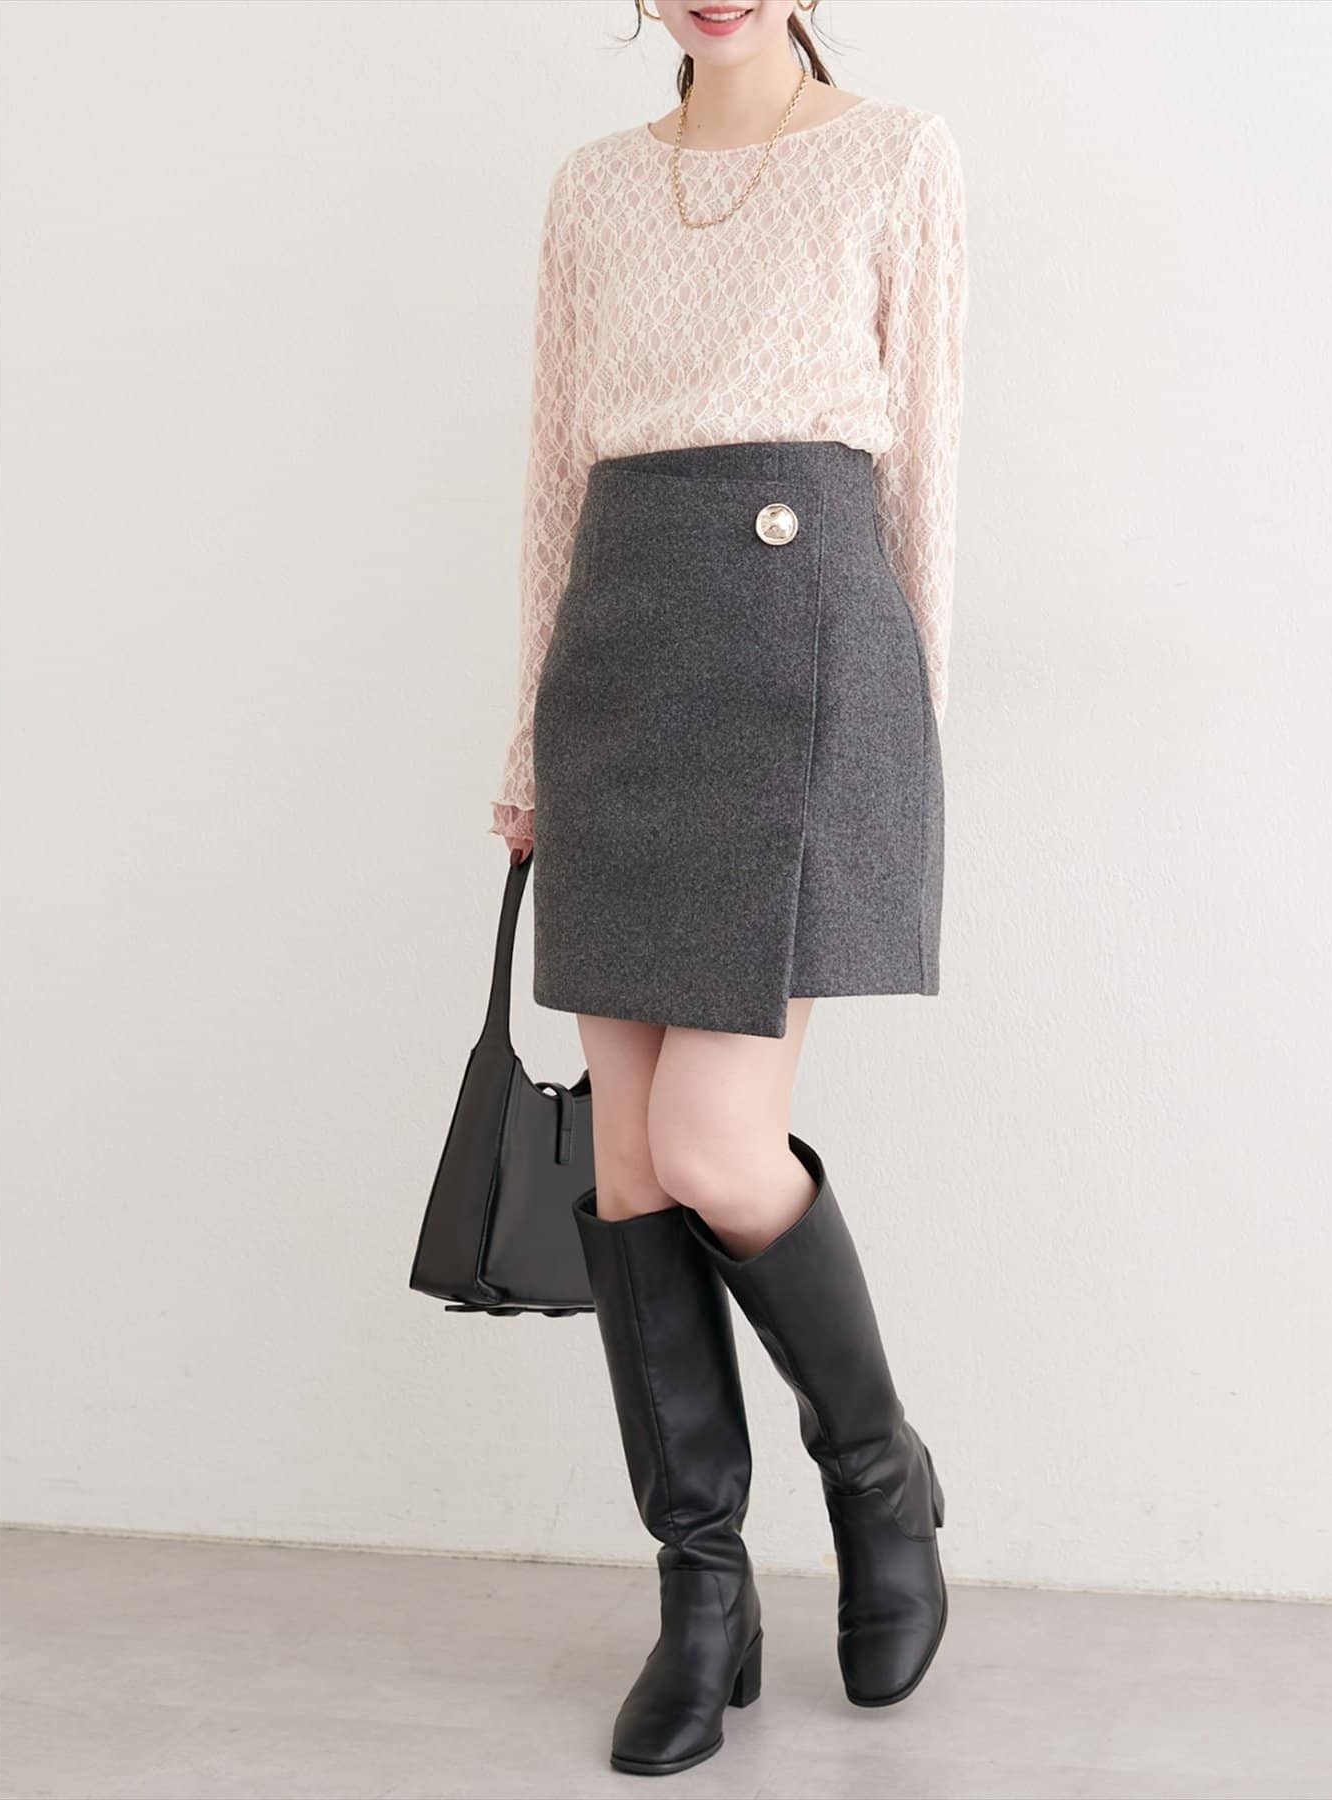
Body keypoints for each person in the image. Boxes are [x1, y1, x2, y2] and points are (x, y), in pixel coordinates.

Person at [488, 0, 969, 1778]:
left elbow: (927, 461)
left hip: (805, 646)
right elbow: (556, 470)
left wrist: (906, 735)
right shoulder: (595, 186)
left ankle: (879, 1478)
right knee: (628, 1166)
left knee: (709, 1144)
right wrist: (529, 736)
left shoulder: (896, 155)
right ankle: (703, 1596)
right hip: (622, 656)